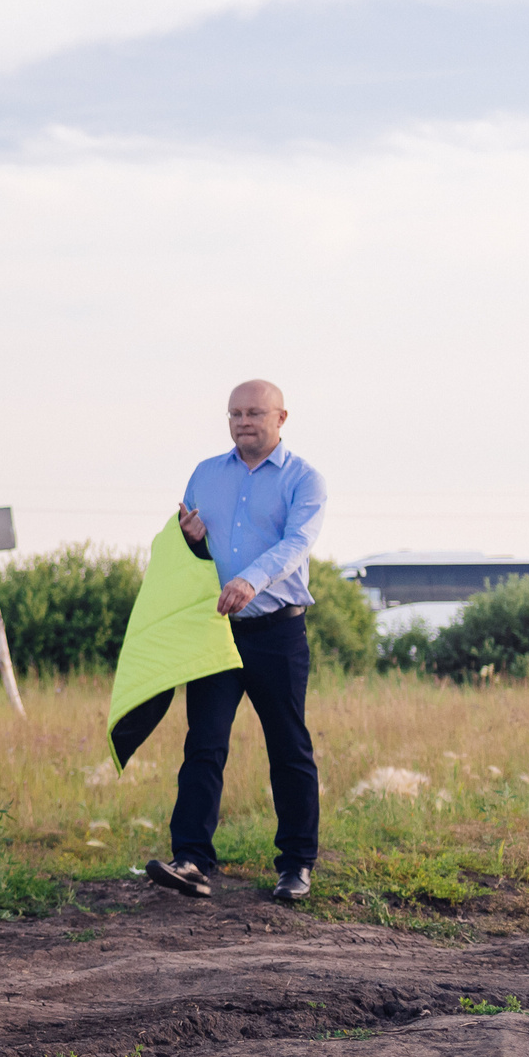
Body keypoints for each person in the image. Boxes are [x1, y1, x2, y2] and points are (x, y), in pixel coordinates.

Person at [144, 381, 327, 905]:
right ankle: (192, 860)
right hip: (215, 632)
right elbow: (186, 547)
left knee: (289, 749)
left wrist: (251, 579)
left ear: (281, 417)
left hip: (277, 630)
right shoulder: (205, 474)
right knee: (203, 745)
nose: (243, 421)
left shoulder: (305, 479)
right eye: (235, 414)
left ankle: (296, 866)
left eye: (254, 413)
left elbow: (297, 544)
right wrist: (191, 538)